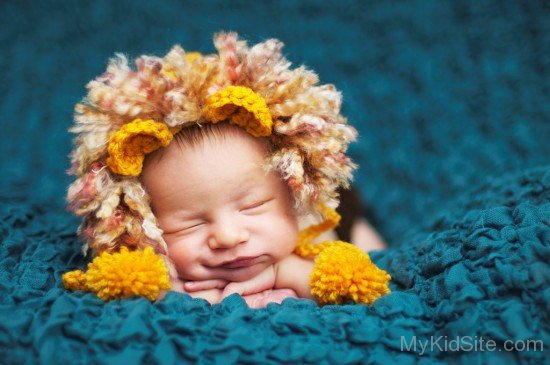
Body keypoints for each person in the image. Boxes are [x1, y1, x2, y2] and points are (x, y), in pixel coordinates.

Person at [63, 32, 391, 307]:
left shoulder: (314, 214)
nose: (228, 237)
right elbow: (130, 288)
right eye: (188, 225)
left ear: (294, 194)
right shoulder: (151, 254)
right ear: (145, 225)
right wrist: (168, 289)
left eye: (254, 206)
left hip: (342, 217)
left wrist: (284, 272)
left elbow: (358, 289)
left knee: (368, 245)